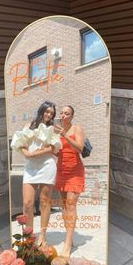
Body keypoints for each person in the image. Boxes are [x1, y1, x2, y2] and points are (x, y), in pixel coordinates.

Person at [11, 101, 61, 245]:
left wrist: (37, 153)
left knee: (45, 202)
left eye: (52, 113)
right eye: (47, 111)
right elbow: (19, 144)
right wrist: (28, 153)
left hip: (47, 165)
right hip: (31, 168)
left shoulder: (52, 129)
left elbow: (55, 149)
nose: (49, 114)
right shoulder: (28, 126)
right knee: (27, 203)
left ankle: (43, 235)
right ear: (42, 110)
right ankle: (29, 234)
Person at [54, 105, 85, 257]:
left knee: (71, 203)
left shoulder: (76, 128)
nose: (63, 115)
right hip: (61, 170)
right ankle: (69, 238)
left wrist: (65, 135)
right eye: (62, 113)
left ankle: (67, 245)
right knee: (65, 206)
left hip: (75, 171)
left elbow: (80, 148)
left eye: (67, 113)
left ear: (72, 116)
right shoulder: (56, 131)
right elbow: (56, 153)